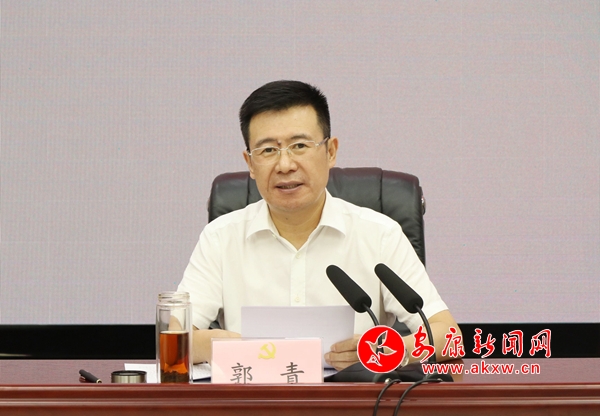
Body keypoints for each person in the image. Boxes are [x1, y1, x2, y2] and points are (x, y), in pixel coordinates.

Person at [178, 80, 461, 370]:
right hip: (253, 394)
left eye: (299, 146)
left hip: (355, 397)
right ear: (250, 163)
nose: (285, 165)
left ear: (330, 152)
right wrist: (216, 346)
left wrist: (382, 351)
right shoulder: (220, 238)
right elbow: (174, 337)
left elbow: (448, 336)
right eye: (268, 150)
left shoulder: (380, 235)